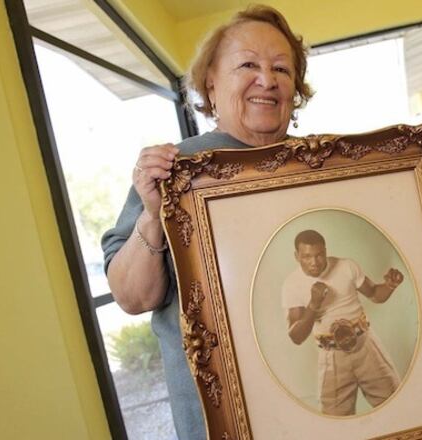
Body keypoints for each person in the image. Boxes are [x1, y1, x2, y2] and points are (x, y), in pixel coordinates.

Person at [101, 5, 314, 439]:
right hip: (219, 417)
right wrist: (153, 215)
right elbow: (132, 297)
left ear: (295, 89)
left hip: (314, 393)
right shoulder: (174, 169)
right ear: (211, 84)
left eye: (281, 69)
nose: (267, 80)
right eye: (248, 65)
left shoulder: (325, 163)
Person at [282, 230, 403, 416]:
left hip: (366, 346)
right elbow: (296, 336)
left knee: (396, 405)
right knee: (335, 422)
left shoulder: (346, 266)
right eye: (306, 256)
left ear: (325, 250)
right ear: (296, 256)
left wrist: (390, 285)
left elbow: (375, 295)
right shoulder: (292, 284)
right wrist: (313, 305)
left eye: (319, 255)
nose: (314, 262)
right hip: (332, 356)